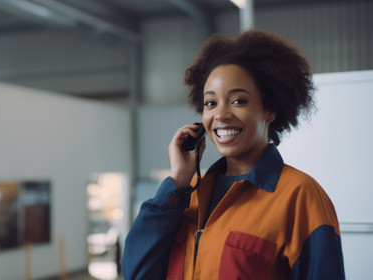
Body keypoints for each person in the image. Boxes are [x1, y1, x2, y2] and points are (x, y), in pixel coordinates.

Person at [122, 30, 345, 279]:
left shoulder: (300, 196)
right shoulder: (189, 194)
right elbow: (138, 272)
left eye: (238, 101)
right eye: (211, 103)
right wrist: (178, 180)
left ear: (269, 109)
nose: (220, 115)